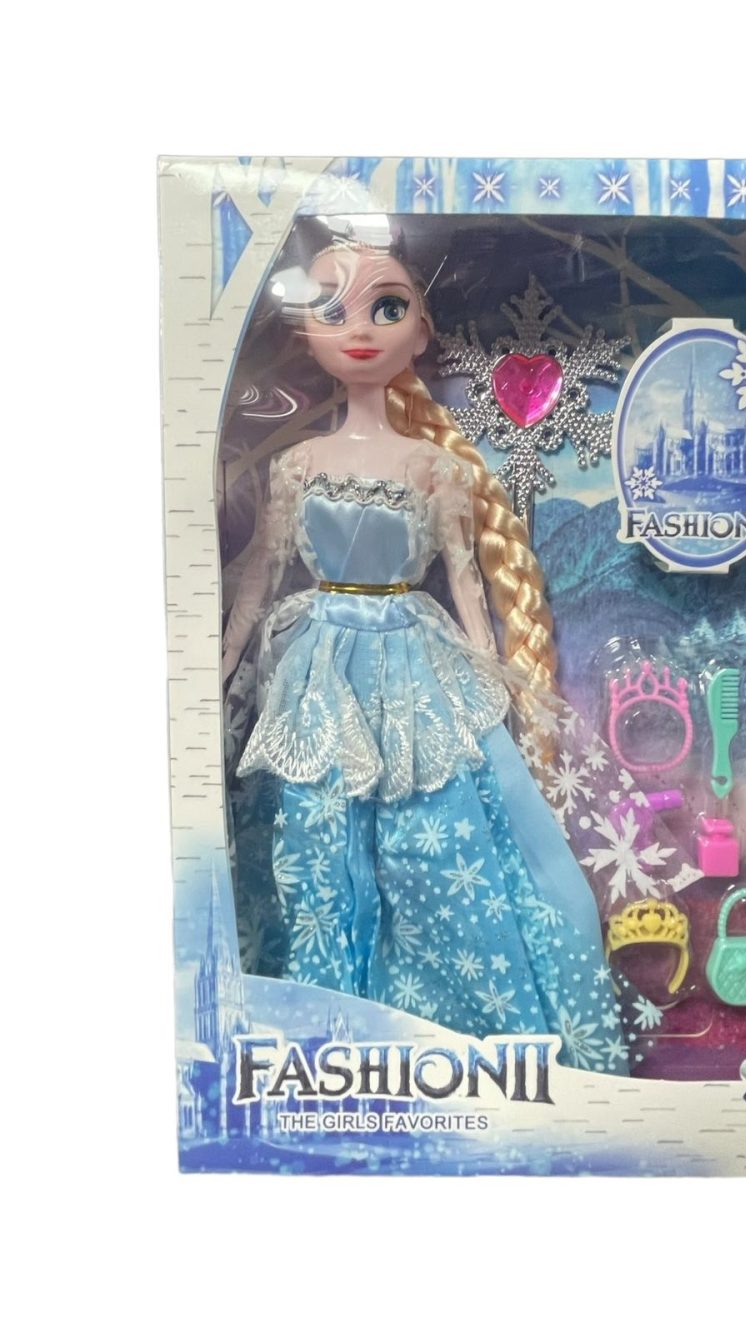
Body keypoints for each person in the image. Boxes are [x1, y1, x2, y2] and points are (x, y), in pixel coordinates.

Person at [221, 218, 628, 1075]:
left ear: (423, 330)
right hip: (320, 667)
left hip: (415, 655)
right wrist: (216, 667)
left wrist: (501, 683)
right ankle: (319, 1021)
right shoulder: (297, 463)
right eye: (330, 309)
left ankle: (448, 1028)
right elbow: (259, 577)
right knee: (315, 835)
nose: (360, 330)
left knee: (438, 835)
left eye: (387, 306)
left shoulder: (434, 466)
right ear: (302, 330)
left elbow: (468, 585)